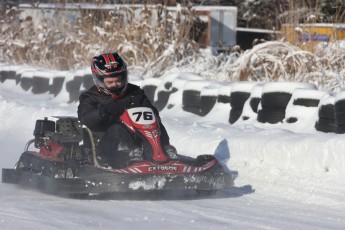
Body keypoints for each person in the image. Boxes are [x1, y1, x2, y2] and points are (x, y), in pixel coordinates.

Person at [78, 52, 176, 168]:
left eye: (119, 80)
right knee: (117, 128)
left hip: (138, 140)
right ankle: (131, 154)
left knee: (154, 122)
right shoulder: (90, 97)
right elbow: (86, 118)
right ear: (99, 81)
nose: (116, 85)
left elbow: (152, 112)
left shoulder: (135, 93)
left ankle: (162, 152)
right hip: (105, 148)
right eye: (110, 82)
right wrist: (104, 111)